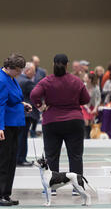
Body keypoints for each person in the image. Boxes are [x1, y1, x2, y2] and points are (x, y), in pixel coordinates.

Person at [30, 54, 90, 197]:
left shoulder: (46, 81)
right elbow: (86, 99)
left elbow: (33, 95)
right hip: (74, 121)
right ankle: (77, 188)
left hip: (52, 122)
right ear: (67, 65)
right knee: (75, 156)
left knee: (51, 155)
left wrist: (41, 107)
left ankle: (52, 189)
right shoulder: (76, 81)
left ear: (53, 64)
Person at [0, 53, 31, 207]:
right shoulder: (0, 80)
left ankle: (5, 194)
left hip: (12, 124)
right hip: (2, 125)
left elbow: (11, 100)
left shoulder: (10, 78)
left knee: (11, 161)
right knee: (1, 161)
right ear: (10, 68)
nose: (20, 73)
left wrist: (22, 105)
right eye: (18, 70)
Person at [16, 62, 39, 166]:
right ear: (27, 71)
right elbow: (37, 94)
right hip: (26, 113)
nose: (34, 74)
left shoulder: (16, 79)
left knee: (18, 137)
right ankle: (21, 159)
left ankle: (17, 158)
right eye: (33, 72)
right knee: (22, 137)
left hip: (17, 112)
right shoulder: (27, 82)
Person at [82, 71, 101, 138]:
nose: (84, 78)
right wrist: (87, 108)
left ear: (89, 80)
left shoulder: (96, 88)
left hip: (93, 106)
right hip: (84, 105)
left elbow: (98, 99)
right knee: (86, 121)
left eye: (85, 77)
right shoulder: (83, 86)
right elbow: (80, 99)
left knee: (92, 122)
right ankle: (86, 136)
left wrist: (95, 108)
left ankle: (91, 136)